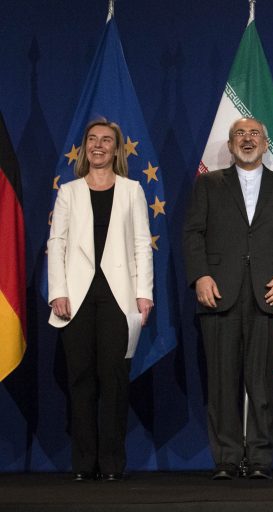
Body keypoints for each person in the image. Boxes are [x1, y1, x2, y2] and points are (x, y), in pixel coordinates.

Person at [183, 117, 273, 480]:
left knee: (262, 382)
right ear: (230, 142)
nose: (248, 139)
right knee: (221, 381)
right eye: (240, 134)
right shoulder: (208, 184)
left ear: (266, 144)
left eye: (254, 134)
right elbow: (192, 234)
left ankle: (258, 459)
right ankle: (225, 458)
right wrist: (201, 276)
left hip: (269, 293)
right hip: (218, 294)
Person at [48, 119, 154, 482]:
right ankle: (83, 463)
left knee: (114, 380)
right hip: (75, 298)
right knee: (80, 380)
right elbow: (57, 244)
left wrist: (144, 293)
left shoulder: (132, 190)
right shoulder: (69, 191)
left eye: (106, 140)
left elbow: (142, 243)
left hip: (118, 297)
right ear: (85, 148)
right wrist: (57, 291)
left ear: (116, 149)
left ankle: (111, 464)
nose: (98, 145)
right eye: (92, 139)